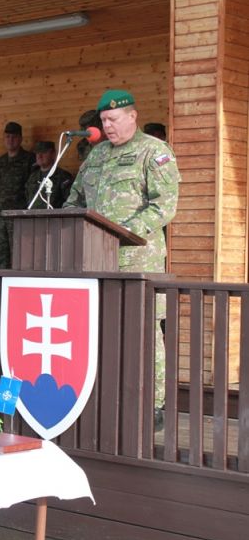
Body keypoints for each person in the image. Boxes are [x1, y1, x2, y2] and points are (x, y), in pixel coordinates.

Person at [64, 89, 181, 427]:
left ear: (132, 116)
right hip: (94, 260)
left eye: (113, 119)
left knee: (143, 333)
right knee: (100, 331)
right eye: (103, 120)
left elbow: (164, 205)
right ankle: (104, 397)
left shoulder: (154, 151)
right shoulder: (97, 155)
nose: (107, 126)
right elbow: (75, 198)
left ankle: (153, 404)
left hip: (137, 261)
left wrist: (123, 232)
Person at [0, 122, 35, 268]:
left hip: (19, 216)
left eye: (14, 137)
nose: (10, 140)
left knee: (20, 256)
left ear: (20, 139)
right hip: (0, 217)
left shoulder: (29, 160)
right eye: (7, 137)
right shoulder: (0, 162)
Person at [25, 141, 73, 209]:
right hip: (33, 215)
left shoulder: (63, 177)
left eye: (44, 152)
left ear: (53, 154)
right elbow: (27, 198)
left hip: (54, 215)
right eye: (37, 153)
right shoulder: (32, 177)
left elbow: (70, 201)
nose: (39, 156)